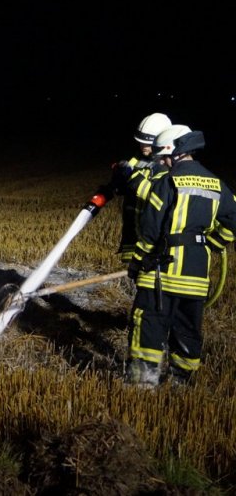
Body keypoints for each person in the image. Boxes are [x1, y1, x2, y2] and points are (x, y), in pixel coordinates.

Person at [125, 125, 236, 386]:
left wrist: (138, 261)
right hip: (196, 276)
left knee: (149, 322)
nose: (163, 163)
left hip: (162, 274)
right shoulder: (216, 183)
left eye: (164, 157)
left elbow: (151, 228)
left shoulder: (167, 182)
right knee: (187, 328)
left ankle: (143, 383)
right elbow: (232, 222)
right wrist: (211, 243)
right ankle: (181, 382)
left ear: (175, 154)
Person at [100, 112, 173, 264]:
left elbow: (157, 196)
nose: (143, 147)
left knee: (149, 274)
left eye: (148, 144)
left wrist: (131, 178)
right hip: (132, 232)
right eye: (140, 142)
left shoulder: (169, 165)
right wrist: (119, 178)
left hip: (152, 238)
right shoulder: (137, 158)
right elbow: (126, 186)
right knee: (132, 271)